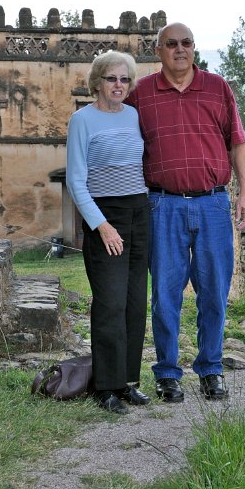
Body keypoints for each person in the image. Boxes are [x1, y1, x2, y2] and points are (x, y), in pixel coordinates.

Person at [126, 23, 245, 403]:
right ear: (158, 51)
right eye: (171, 44)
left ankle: (211, 369)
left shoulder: (217, 87)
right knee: (165, 295)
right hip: (162, 205)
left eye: (186, 43)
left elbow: (238, 143)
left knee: (214, 292)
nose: (179, 49)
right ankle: (167, 374)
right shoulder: (141, 94)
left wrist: (244, 194)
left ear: (194, 48)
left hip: (213, 204)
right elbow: (123, 144)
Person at [66, 50, 151, 414]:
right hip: (105, 216)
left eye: (125, 79)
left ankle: (128, 381)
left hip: (139, 212)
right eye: (112, 78)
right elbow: (76, 181)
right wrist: (101, 226)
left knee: (134, 302)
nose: (119, 85)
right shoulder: (82, 120)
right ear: (97, 82)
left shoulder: (133, 115)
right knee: (110, 302)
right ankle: (105, 387)